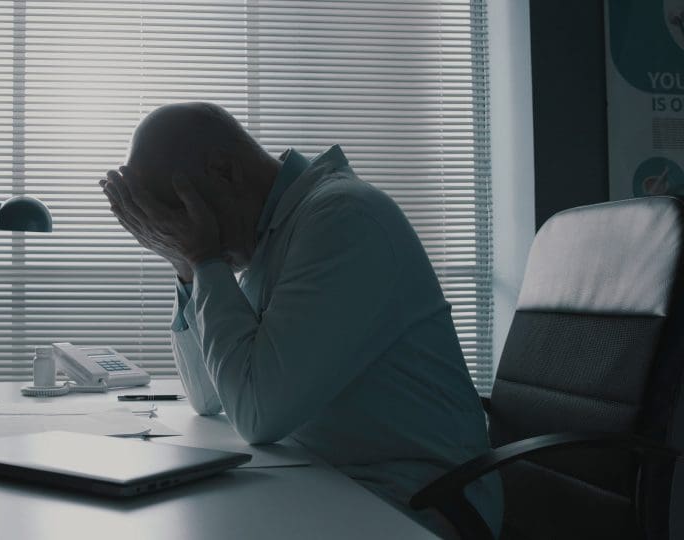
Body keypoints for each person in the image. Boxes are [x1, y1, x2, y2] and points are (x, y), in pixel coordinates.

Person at [99, 102, 501, 538]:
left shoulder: (343, 219)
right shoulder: (269, 238)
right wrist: (187, 265)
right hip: (327, 478)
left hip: (418, 503)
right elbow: (208, 395)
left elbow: (257, 415)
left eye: (180, 214)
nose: (181, 229)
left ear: (222, 171)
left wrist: (204, 257)